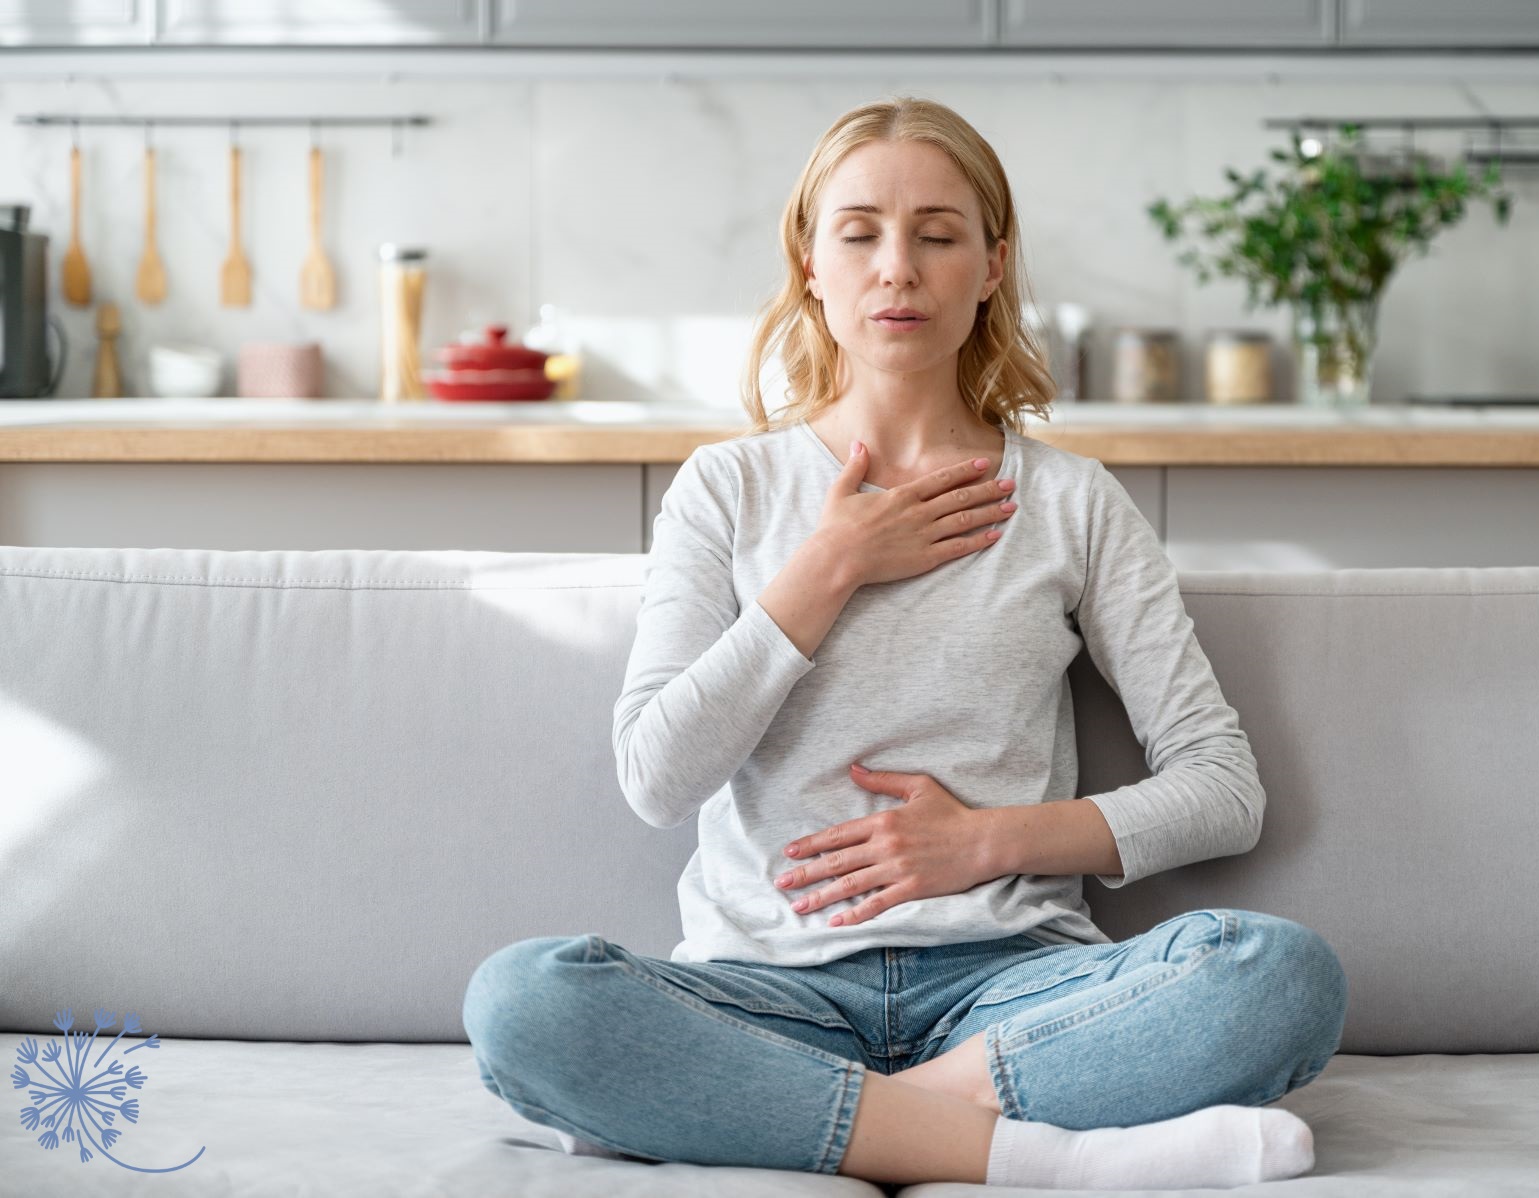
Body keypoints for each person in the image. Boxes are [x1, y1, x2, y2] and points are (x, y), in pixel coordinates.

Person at [463, 94, 1347, 1190]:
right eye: (861, 232)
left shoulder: (1071, 502)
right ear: (810, 260)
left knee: (1281, 976)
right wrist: (826, 567)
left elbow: (1223, 786)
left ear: (990, 266)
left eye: (938, 235)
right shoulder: (727, 491)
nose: (898, 268)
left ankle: (775, 1115)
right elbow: (657, 776)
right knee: (522, 1001)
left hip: (1009, 993)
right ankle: (1048, 1158)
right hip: (770, 992)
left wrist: (989, 842)